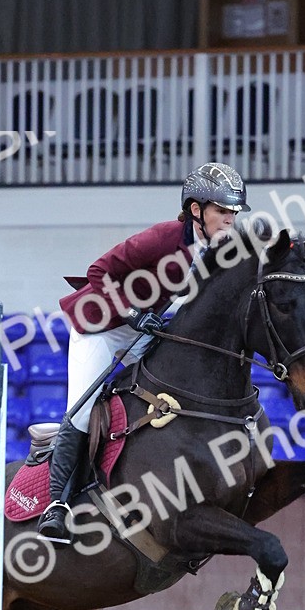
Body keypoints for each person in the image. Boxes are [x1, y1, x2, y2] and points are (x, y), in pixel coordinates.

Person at [36, 162, 250, 543]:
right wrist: (133, 313)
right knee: (83, 409)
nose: (230, 220)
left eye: (233, 212)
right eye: (222, 211)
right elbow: (98, 272)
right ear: (196, 210)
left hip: (143, 330)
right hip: (100, 327)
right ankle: (57, 504)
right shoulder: (164, 238)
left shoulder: (220, 251)